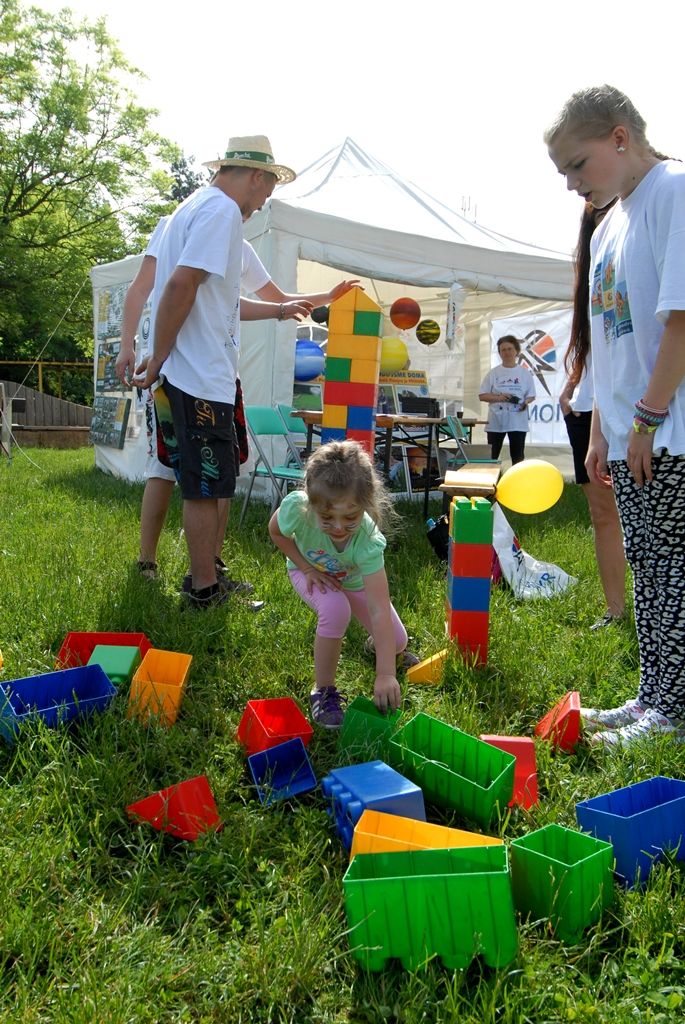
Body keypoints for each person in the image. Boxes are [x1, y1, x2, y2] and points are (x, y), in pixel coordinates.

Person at [546, 84, 685, 748]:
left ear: (620, 137)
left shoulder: (672, 192)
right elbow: (606, 338)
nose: (573, 183)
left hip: (668, 431)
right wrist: (600, 428)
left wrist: (648, 417)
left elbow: (680, 319)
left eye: (578, 164)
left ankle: (673, 709)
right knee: (648, 568)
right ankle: (652, 695)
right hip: (630, 433)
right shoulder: (608, 223)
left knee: (671, 572)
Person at [117, 227, 357, 589]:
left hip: (219, 379)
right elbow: (141, 289)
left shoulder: (238, 246)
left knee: (223, 470)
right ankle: (148, 562)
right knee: (164, 469)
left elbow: (270, 298)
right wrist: (126, 344)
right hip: (171, 372)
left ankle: (209, 566)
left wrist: (324, 296)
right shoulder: (174, 229)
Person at [136, 134, 295, 608]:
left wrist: (280, 311)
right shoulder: (221, 210)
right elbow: (181, 285)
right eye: (267, 189)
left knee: (209, 482)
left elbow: (210, 295)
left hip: (193, 373)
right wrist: (160, 355)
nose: (264, 200)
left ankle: (205, 577)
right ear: (254, 175)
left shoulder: (194, 208)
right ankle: (204, 589)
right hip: (198, 375)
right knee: (205, 487)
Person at [268, 440, 417, 728]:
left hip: (353, 581)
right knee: (336, 610)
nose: (338, 528)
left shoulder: (368, 540)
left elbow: (378, 609)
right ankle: (323, 691)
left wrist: (386, 673)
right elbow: (276, 533)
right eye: (327, 518)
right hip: (309, 571)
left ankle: (374, 648)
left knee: (397, 642)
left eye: (350, 518)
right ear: (310, 503)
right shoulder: (296, 509)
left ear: (366, 505)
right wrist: (306, 567)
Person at [558, 200, 627, 631]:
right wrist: (573, 383)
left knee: (648, 517)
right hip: (588, 408)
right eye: (597, 213)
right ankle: (616, 610)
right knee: (604, 515)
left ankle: (659, 612)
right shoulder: (591, 270)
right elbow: (591, 340)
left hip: (633, 408)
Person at [478, 335, 536, 463]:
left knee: (518, 456)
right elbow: (482, 395)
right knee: (491, 456)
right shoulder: (493, 373)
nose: (507, 352)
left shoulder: (525, 373)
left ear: (516, 351)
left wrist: (525, 403)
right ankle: (490, 480)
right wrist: (499, 397)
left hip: (518, 421)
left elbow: (531, 395)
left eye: (510, 349)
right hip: (496, 421)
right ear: (499, 353)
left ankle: (517, 481)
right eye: (503, 350)